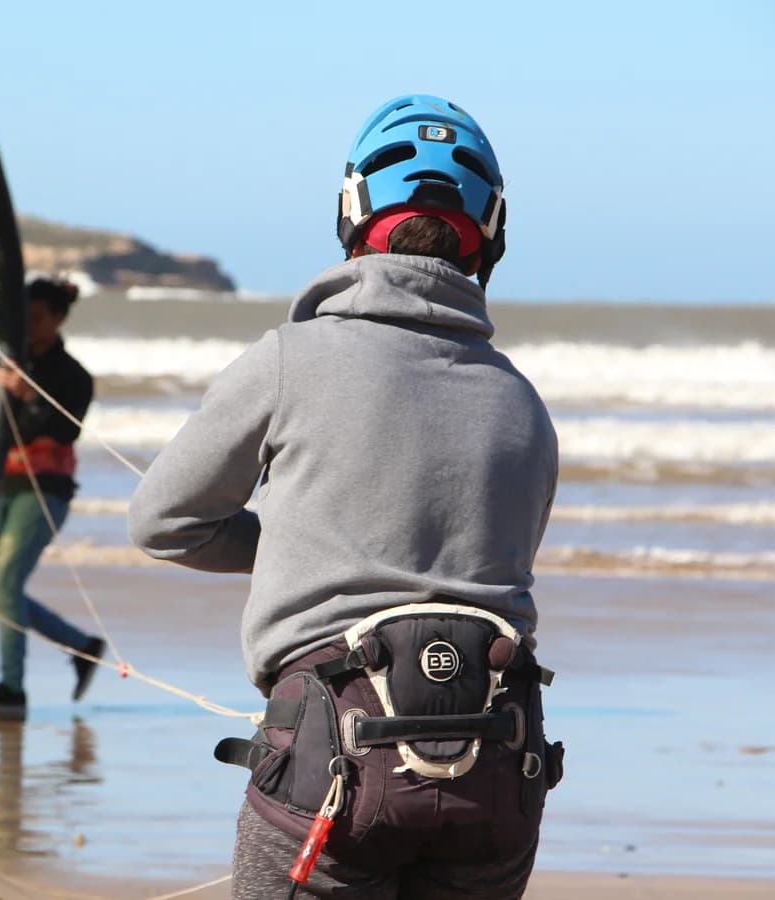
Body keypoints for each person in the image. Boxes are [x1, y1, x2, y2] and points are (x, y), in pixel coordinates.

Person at [128, 96, 563, 899]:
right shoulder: (522, 401)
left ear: (352, 213)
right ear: (491, 233)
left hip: (331, 768)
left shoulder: (288, 359)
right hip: (497, 773)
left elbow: (163, 523)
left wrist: (293, 546)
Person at [0, 276, 104, 720]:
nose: (29, 324)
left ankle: (12, 689)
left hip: (45, 490)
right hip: (1, 487)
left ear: (59, 319)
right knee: (1, 591)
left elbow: (64, 431)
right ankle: (82, 647)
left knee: (6, 587)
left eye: (38, 317)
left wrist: (26, 394)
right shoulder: (6, 361)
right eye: (24, 316)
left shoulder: (74, 376)